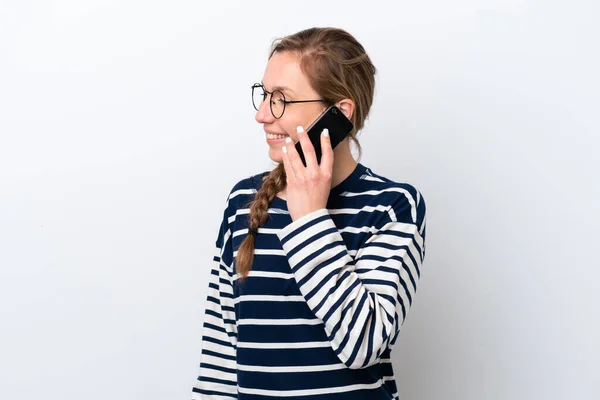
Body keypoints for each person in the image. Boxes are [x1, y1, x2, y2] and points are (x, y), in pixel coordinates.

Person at [191, 27, 427, 400]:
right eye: (264, 95)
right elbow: (221, 357)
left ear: (339, 114)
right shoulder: (242, 202)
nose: (262, 115)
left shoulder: (392, 207)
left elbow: (362, 346)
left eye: (281, 99)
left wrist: (310, 219)